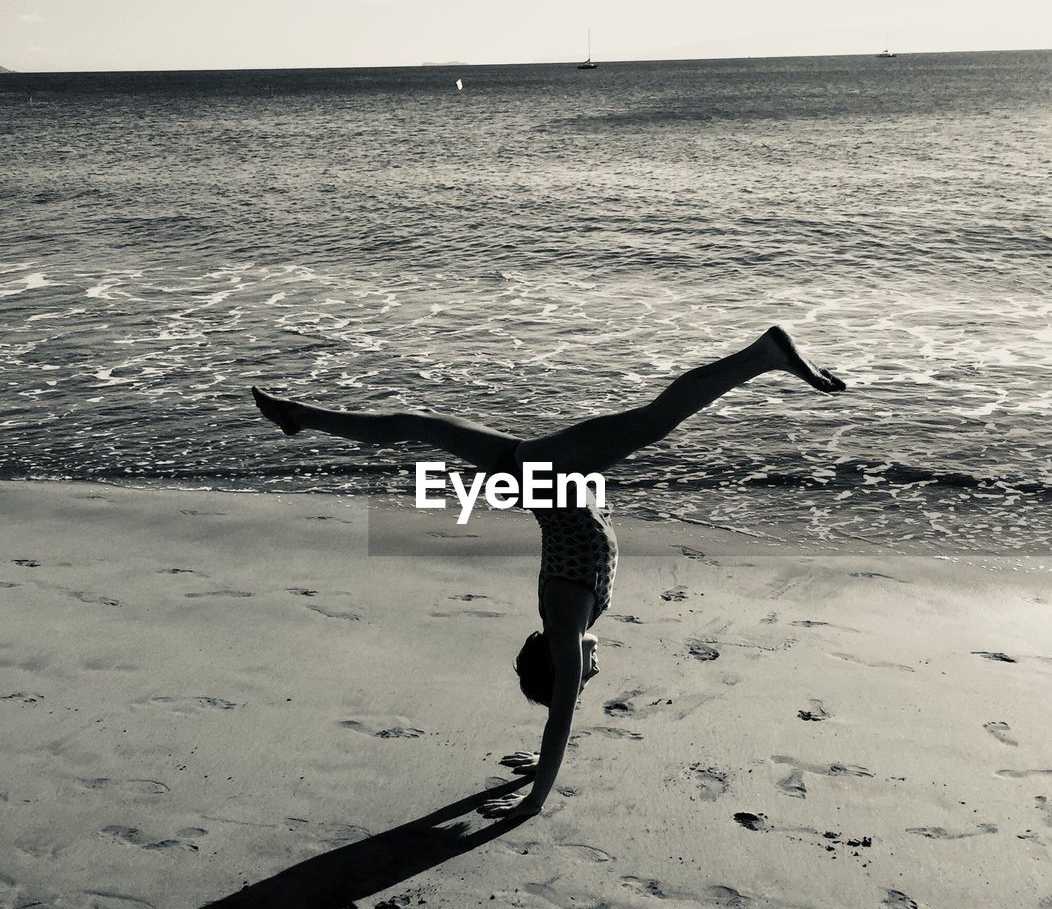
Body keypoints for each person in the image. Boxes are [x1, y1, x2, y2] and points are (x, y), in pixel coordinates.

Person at [251, 325, 845, 820]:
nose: (589, 674)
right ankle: (302, 418)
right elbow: (564, 687)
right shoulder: (574, 619)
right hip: (540, 481)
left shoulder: (567, 619)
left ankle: (765, 356)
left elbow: (563, 712)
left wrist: (537, 795)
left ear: (555, 659)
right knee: (414, 423)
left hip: (548, 478)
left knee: (660, 415)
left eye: (578, 675)